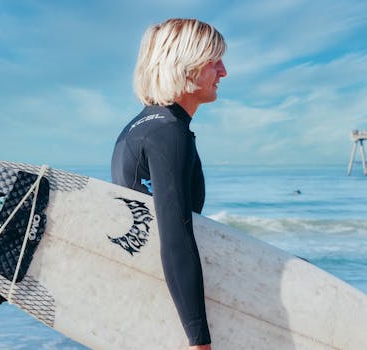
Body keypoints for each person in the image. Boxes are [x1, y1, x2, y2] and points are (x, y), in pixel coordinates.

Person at [111, 18, 227, 349]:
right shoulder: (168, 133)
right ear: (187, 66)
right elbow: (175, 238)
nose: (223, 72)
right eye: (214, 60)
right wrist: (199, 341)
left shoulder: (141, 126)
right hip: (169, 316)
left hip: (148, 307)